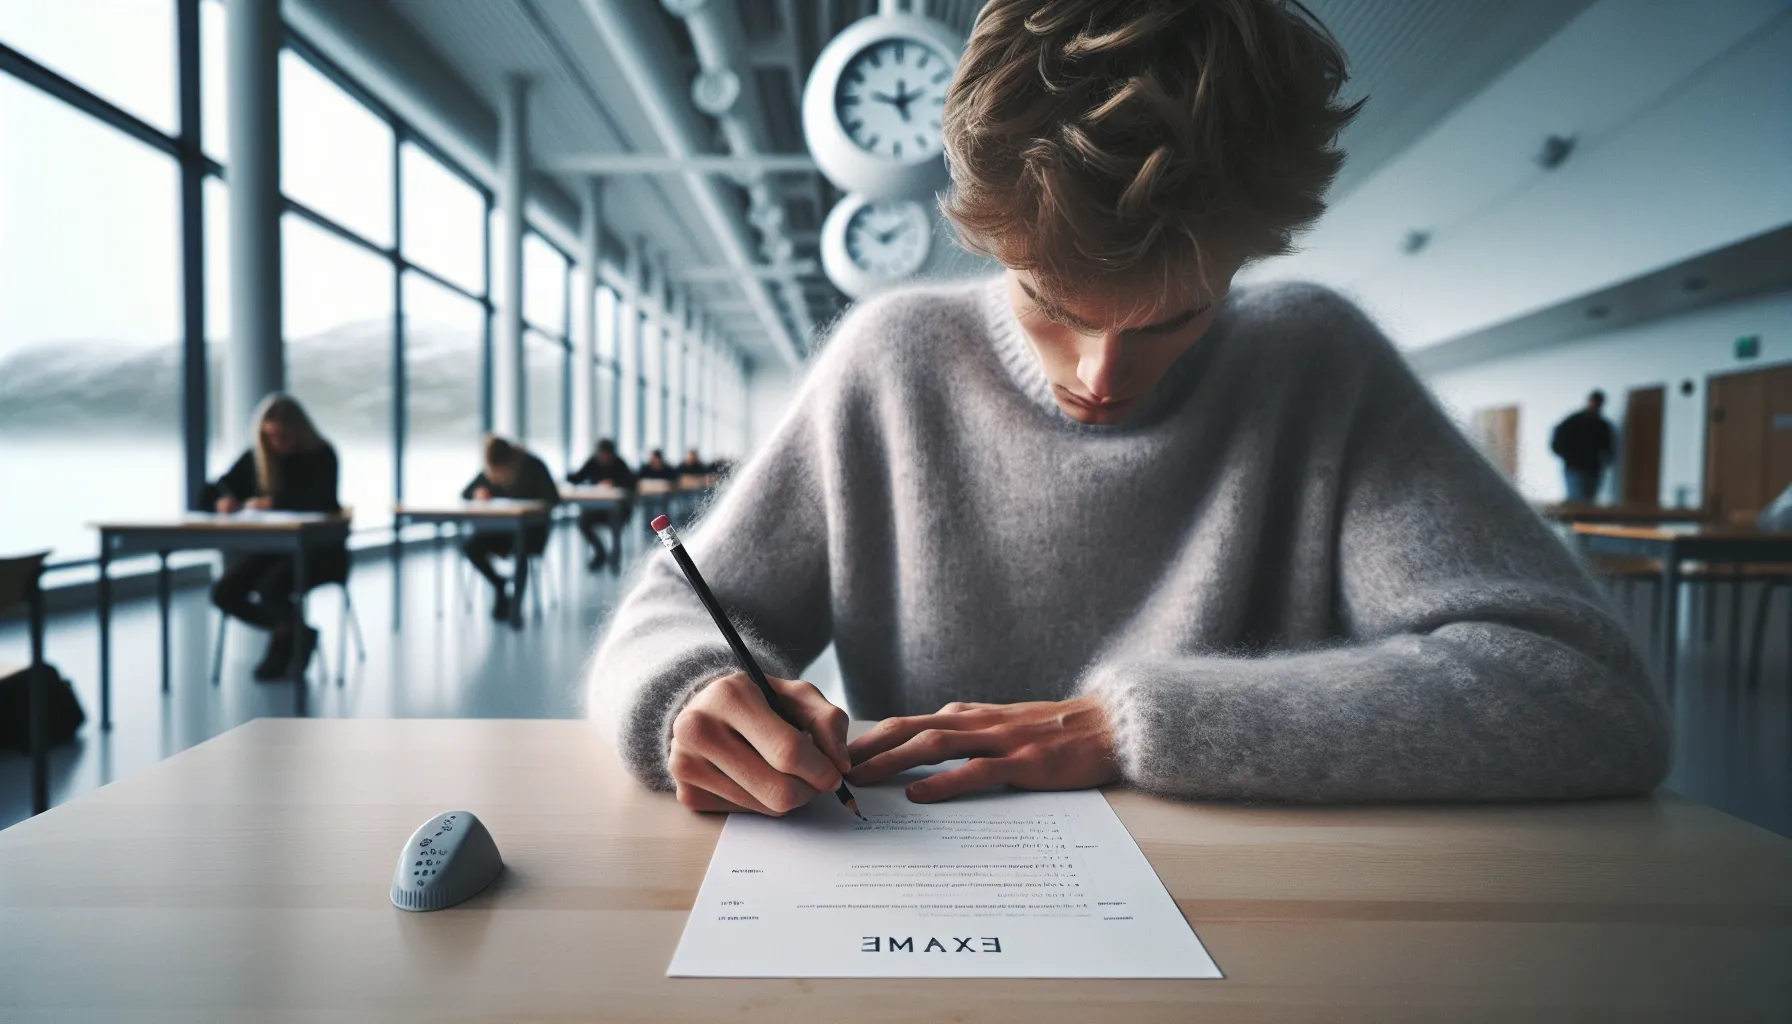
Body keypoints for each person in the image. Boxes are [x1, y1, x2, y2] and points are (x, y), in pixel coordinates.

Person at [586, 0, 1666, 817]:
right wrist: (689, 691)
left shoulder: (1315, 364)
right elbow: (673, 611)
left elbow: (1584, 695)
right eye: (1052, 305)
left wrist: (1138, 725)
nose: (1099, 376)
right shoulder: (891, 359)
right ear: (985, 235)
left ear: (1251, 254)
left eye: (1171, 316)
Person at [208, 393, 345, 681]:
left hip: (319, 552)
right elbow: (218, 487)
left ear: (299, 431)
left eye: (282, 435)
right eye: (269, 436)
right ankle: (293, 631)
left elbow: (323, 501)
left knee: (272, 587)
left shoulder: (322, 456)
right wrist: (222, 501)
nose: (276, 442)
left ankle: (285, 641)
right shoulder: (258, 456)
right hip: (272, 550)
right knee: (225, 592)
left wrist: (274, 503)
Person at [461, 435, 559, 621]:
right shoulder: (492, 469)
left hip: (531, 532)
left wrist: (532, 507)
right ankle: (499, 584)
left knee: (521, 548)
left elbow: (553, 499)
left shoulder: (533, 466)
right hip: (500, 532)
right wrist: (478, 493)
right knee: (470, 546)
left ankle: (515, 609)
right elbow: (466, 492)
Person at [568, 438, 636, 571]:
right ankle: (600, 551)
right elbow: (578, 476)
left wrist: (613, 483)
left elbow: (631, 482)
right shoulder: (592, 462)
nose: (603, 458)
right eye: (601, 455)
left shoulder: (620, 464)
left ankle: (616, 553)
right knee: (583, 521)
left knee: (615, 517)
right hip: (597, 510)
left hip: (618, 511)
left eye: (606, 455)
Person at [1551, 391, 1615, 503]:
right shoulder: (1573, 421)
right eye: (1594, 402)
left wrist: (1607, 460)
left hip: (1593, 469)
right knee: (1576, 500)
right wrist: (1567, 456)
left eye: (1598, 403)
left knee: (1589, 502)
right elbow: (1558, 440)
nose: (1595, 405)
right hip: (1574, 467)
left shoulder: (1602, 425)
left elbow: (1607, 447)